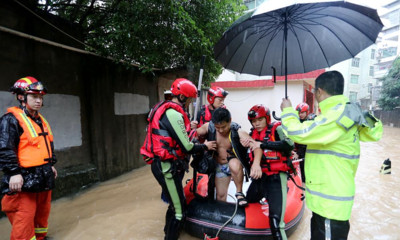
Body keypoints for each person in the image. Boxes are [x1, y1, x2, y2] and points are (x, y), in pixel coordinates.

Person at [280, 71, 383, 240]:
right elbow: (375, 132)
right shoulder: (348, 112)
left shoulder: (336, 115)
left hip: (330, 205)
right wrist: (363, 114)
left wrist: (287, 111)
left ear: (319, 91)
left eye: (315, 92)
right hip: (330, 202)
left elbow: (298, 133)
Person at [140, 78, 216, 240]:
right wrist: (206, 146)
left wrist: (192, 129)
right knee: (180, 211)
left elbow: (179, 136)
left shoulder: (169, 111)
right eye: (189, 99)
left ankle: (167, 232)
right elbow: (187, 147)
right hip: (166, 166)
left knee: (175, 204)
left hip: (167, 165)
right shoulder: (173, 114)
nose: (189, 103)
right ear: (182, 97)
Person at [0, 76, 58, 240]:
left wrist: (50, 165)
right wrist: (13, 173)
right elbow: (4, 148)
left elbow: (46, 144)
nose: (39, 101)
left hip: (42, 176)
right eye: (34, 96)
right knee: (23, 218)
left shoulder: (40, 120)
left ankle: (40, 238)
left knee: (42, 214)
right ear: (21, 97)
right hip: (23, 178)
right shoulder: (10, 120)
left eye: (40, 97)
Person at [244, 104, 294, 240]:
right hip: (260, 178)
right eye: (254, 121)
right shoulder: (252, 134)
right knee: (248, 200)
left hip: (276, 178)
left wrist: (263, 144)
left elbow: (289, 144)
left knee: (276, 223)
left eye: (260, 120)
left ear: (266, 118)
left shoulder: (277, 129)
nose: (257, 124)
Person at [196, 107, 261, 206]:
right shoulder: (208, 127)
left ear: (230, 121)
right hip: (219, 166)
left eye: (224, 127)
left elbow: (257, 147)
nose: (221, 130)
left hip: (233, 164)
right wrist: (203, 144)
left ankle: (239, 193)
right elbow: (193, 135)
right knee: (220, 197)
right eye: (218, 127)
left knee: (234, 163)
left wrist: (256, 164)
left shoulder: (238, 131)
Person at [294, 102, 311, 182]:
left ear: (307, 112)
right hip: (299, 149)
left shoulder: (311, 120)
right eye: (299, 113)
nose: (300, 115)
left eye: (302, 112)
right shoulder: (296, 122)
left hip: (309, 149)